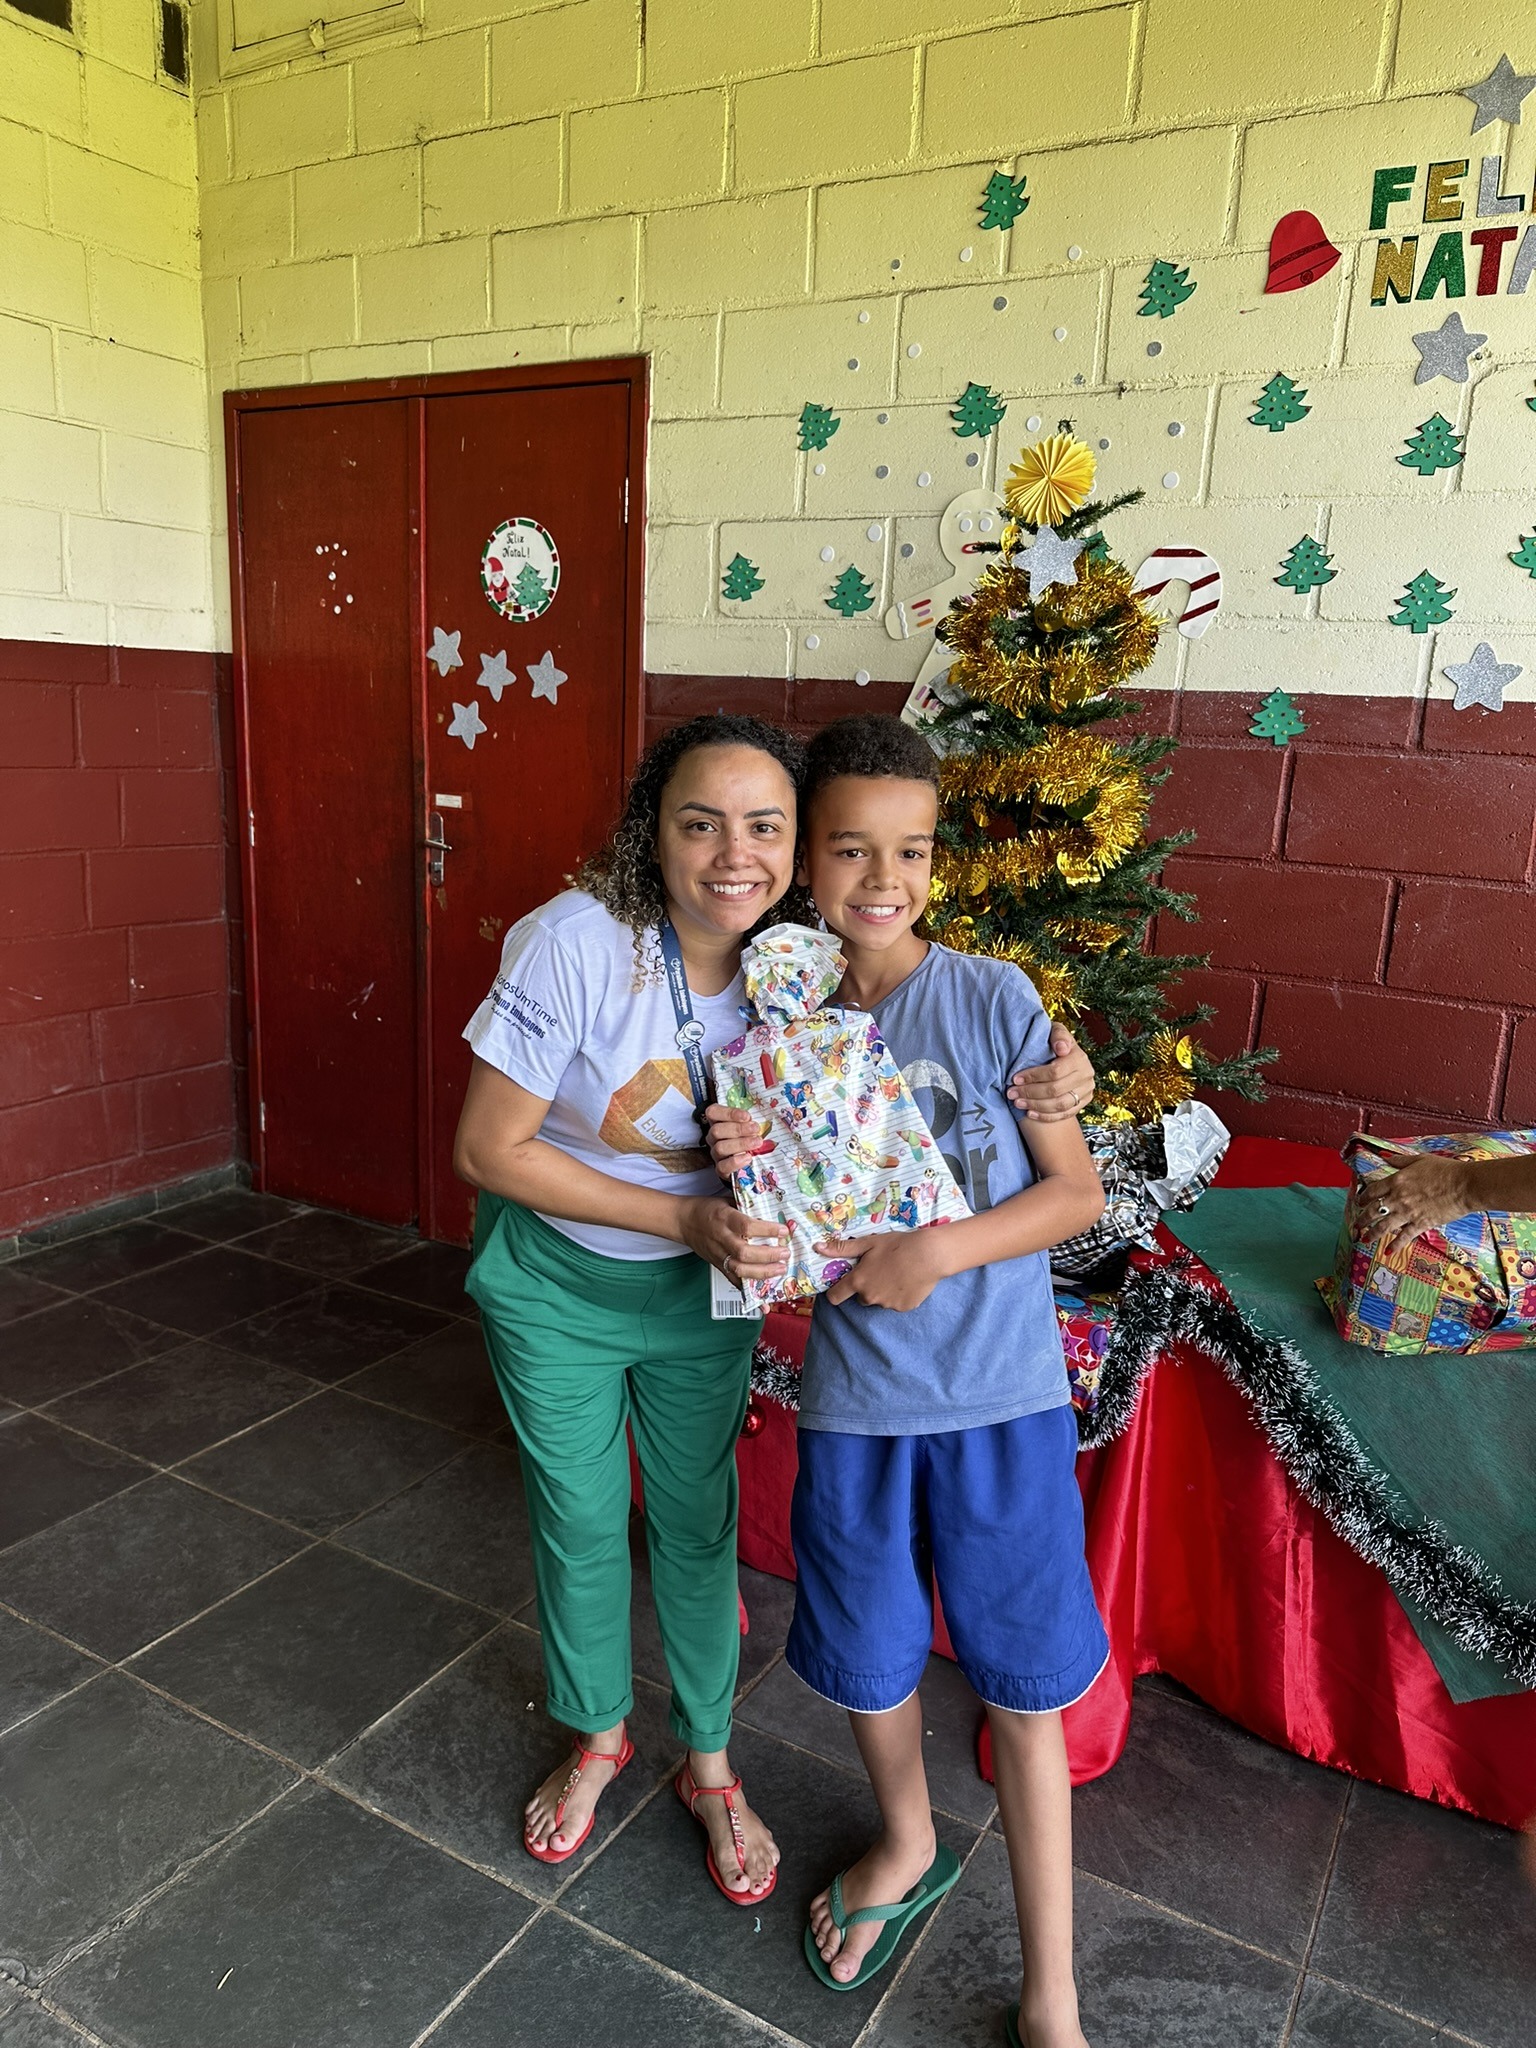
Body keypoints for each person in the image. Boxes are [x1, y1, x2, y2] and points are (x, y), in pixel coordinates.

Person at [454, 711, 1099, 1900]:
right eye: (701, 822)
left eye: (764, 826)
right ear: (654, 828)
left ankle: (710, 1762)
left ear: (792, 848)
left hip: (721, 1302)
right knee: (584, 1519)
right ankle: (599, 1733)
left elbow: (890, 1136)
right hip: (563, 1281)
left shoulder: (793, 975)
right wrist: (705, 1204)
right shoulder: (578, 941)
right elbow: (488, 1148)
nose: (732, 853)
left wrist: (1066, 1071)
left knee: (695, 1526)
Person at [707, 714, 1107, 2047]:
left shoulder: (996, 1000)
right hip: (861, 1412)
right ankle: (905, 1839)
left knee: (1027, 1683)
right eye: (851, 850)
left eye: (912, 851)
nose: (883, 879)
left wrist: (938, 1251)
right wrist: (745, 1166)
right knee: (870, 1656)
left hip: (1002, 1407)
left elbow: (1074, 1194)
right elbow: (771, 1232)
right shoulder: (771, 1022)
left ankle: (1052, 1986)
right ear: (805, 861)